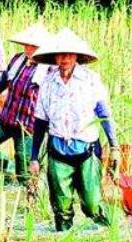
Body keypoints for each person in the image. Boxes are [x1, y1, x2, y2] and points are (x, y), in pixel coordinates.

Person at [29, 29, 120, 231]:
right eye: (61, 54)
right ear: (55, 57)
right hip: (57, 151)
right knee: (61, 208)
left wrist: (114, 146)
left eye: (70, 54)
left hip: (86, 149)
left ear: (77, 56)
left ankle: (110, 233)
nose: (65, 59)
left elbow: (104, 114)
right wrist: (34, 157)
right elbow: (40, 122)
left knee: (92, 205)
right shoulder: (48, 83)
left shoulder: (90, 80)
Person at [0, 23, 52, 185]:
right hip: (6, 119)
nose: (28, 49)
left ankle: (28, 205)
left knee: (25, 178)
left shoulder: (49, 70)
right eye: (27, 45)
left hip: (28, 129)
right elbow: (1, 82)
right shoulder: (17, 60)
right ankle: (8, 167)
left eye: (33, 46)